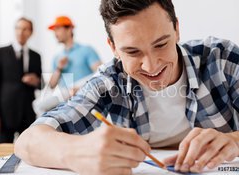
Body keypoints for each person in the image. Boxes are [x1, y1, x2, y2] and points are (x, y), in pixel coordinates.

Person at [15, 0, 239, 174]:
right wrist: (74, 152)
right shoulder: (110, 80)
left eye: (161, 44)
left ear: (177, 29)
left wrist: (233, 140)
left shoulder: (221, 58)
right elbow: (27, 141)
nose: (152, 66)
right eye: (132, 52)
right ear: (113, 47)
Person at [0, 17, 43, 143]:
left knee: (28, 148)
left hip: (27, 113)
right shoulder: (1, 53)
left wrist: (36, 81)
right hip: (6, 113)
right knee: (3, 153)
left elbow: (41, 85)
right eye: (18, 28)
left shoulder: (36, 56)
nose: (20, 32)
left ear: (31, 32)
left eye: (24, 29)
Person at [48, 16, 101, 94]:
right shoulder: (56, 58)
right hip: (65, 104)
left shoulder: (86, 50)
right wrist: (59, 68)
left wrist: (82, 88)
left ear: (69, 29)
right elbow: (51, 85)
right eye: (54, 30)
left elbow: (100, 75)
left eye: (58, 29)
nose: (55, 33)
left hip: (86, 100)